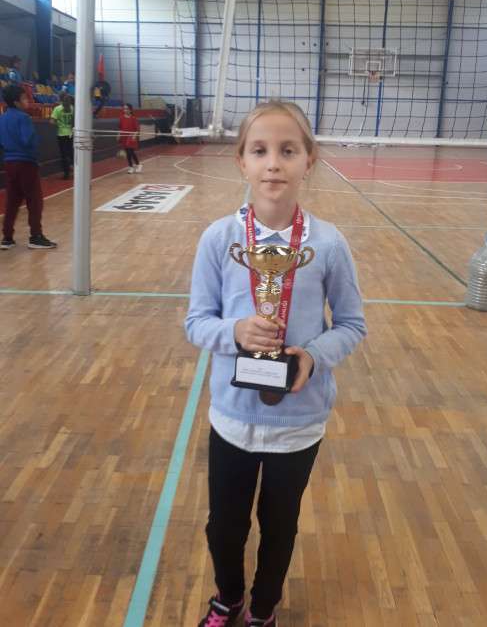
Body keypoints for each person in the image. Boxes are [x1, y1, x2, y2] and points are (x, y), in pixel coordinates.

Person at [185, 100, 367, 627]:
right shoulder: (218, 239)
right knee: (224, 526)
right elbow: (196, 322)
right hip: (233, 416)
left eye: (288, 151)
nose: (273, 164)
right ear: (241, 161)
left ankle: (263, 610)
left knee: (280, 526)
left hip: (298, 420)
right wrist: (233, 332)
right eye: (260, 150)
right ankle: (228, 599)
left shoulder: (328, 243)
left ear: (309, 160)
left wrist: (313, 355)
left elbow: (352, 324)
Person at [0, 85, 57, 250]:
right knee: (34, 200)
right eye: (24, 98)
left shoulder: (2, 118)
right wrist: (35, 153)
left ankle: (7, 238)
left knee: (12, 201)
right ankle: (36, 236)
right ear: (16, 101)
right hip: (26, 163)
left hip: (9, 162)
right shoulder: (24, 118)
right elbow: (28, 141)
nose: (28, 100)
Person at [50, 92, 74, 180]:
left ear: (60, 99)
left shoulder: (57, 109)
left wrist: (59, 124)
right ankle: (75, 168)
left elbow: (52, 121)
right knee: (71, 152)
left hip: (61, 134)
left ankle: (66, 173)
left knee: (64, 154)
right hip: (71, 133)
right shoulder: (72, 108)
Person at [119, 103, 142, 174]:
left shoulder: (133, 118)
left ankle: (138, 165)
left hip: (131, 137)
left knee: (130, 152)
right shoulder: (121, 118)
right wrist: (118, 135)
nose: (125, 110)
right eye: (124, 109)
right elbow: (120, 128)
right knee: (128, 153)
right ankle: (131, 167)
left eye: (127, 109)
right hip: (124, 137)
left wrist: (134, 135)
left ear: (130, 110)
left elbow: (137, 129)